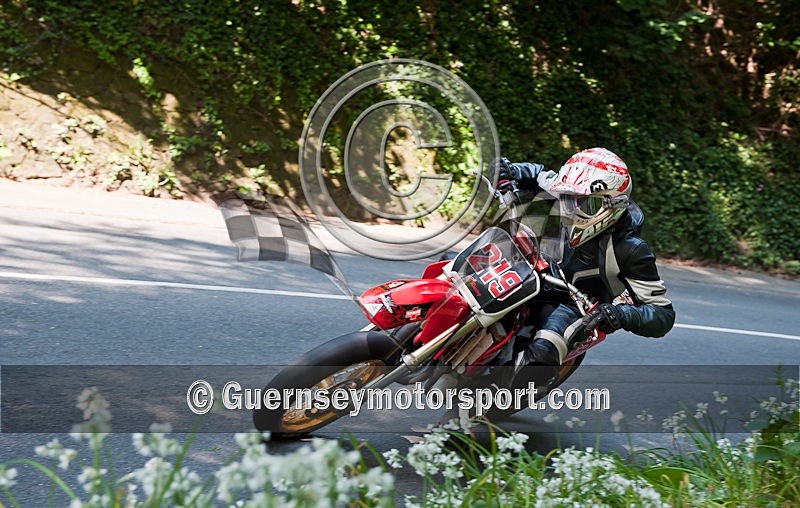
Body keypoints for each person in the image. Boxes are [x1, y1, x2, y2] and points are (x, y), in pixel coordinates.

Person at [493, 147, 676, 399]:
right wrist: (510, 170)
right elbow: (540, 174)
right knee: (453, 267)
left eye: (586, 204)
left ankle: (482, 403)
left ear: (613, 205)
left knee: (542, 353)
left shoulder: (631, 249)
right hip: (534, 269)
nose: (572, 209)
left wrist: (620, 314)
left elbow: (662, 314)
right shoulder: (568, 189)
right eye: (568, 198)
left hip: (573, 305)